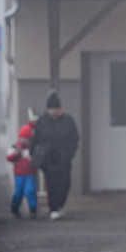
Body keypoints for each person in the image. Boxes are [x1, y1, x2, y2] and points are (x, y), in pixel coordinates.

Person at [31, 91, 79, 221]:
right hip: (48, 159)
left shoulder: (68, 120)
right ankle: (54, 208)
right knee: (52, 184)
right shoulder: (42, 121)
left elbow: (74, 139)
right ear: (47, 109)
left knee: (65, 183)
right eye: (51, 109)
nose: (53, 112)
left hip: (64, 158)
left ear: (60, 109)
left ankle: (59, 205)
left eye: (55, 109)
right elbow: (36, 139)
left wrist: (69, 153)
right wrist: (34, 155)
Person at [6, 121, 38, 219]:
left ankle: (33, 209)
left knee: (30, 191)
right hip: (18, 174)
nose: (25, 141)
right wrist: (17, 153)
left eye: (27, 139)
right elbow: (9, 157)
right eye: (23, 138)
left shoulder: (32, 148)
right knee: (18, 192)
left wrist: (34, 160)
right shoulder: (15, 146)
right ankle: (15, 208)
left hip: (30, 174)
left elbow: (36, 160)